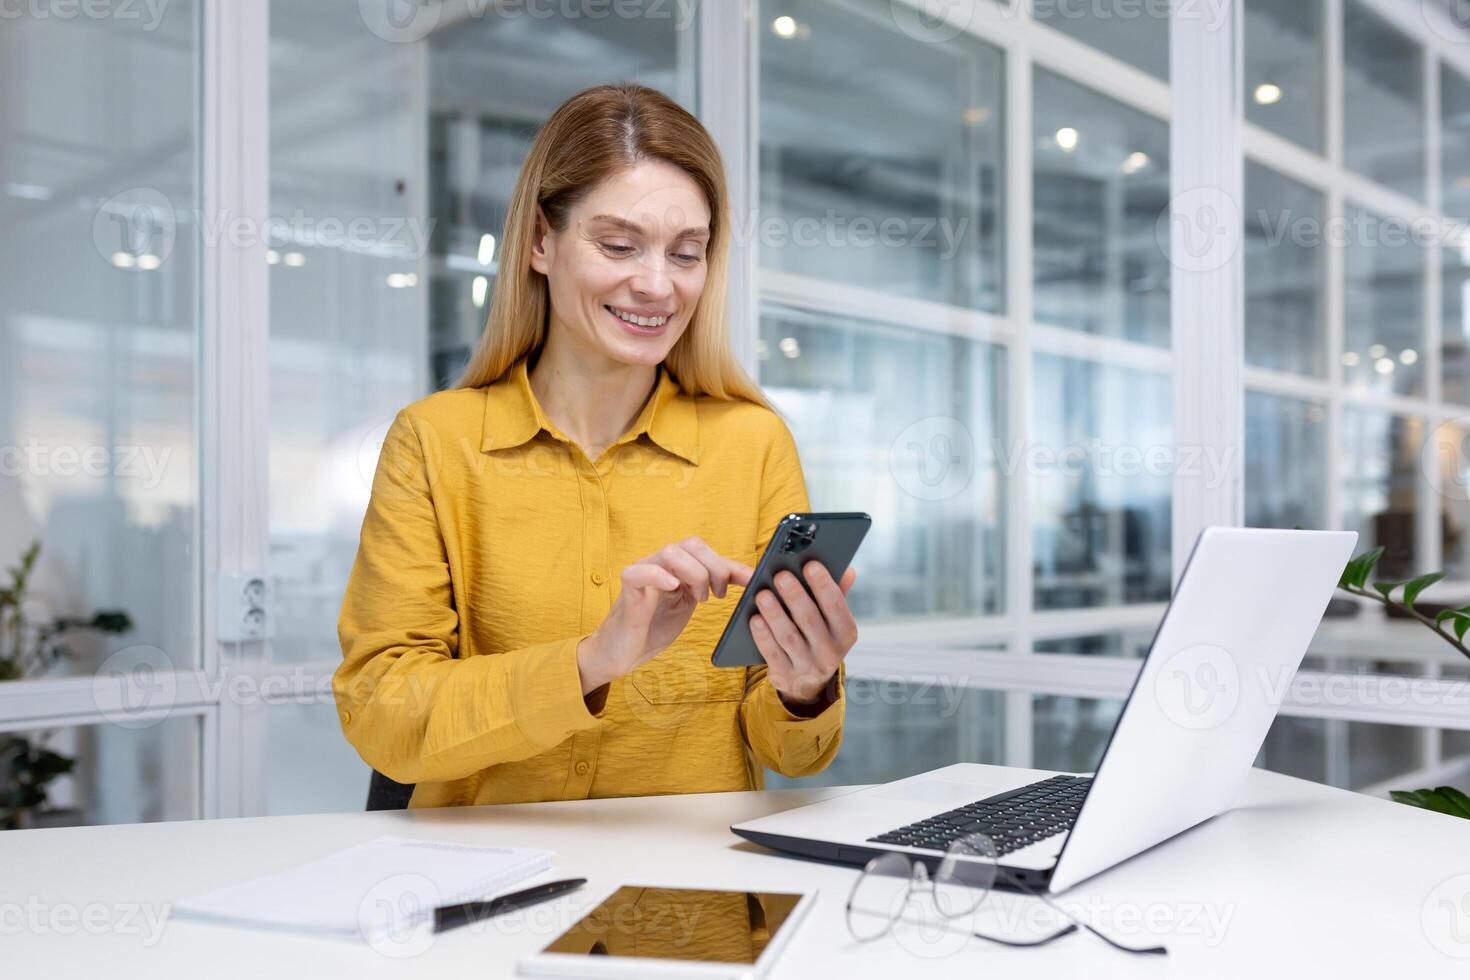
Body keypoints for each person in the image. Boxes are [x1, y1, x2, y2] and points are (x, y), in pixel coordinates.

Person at [334, 83, 859, 809]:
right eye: (619, 245)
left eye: (686, 253)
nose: (656, 285)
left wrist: (804, 688)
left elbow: (790, 756)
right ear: (541, 242)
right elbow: (382, 714)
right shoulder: (434, 443)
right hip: (485, 902)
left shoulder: (753, 444)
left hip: (696, 901)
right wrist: (590, 663)